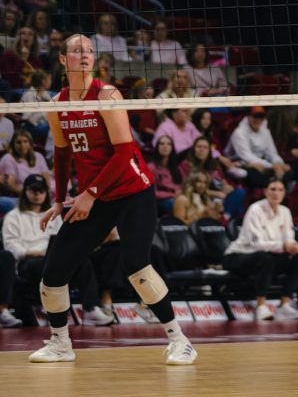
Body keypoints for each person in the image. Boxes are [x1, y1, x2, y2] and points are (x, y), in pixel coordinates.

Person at [29, 34, 195, 364]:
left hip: (132, 189)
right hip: (96, 195)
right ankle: (61, 344)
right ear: (63, 60)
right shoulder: (58, 103)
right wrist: (60, 200)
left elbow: (122, 155)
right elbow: (62, 154)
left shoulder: (107, 95)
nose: (85, 55)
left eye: (89, 50)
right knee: (53, 272)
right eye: (77, 51)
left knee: (136, 264)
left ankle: (180, 340)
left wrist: (89, 194)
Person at [2, 174, 113, 326]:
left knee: (82, 262)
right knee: (44, 264)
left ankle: (90, 309)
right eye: (33, 190)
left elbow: (61, 240)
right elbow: (10, 246)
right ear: (25, 192)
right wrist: (31, 252)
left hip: (51, 256)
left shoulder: (53, 214)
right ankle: (53, 306)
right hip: (27, 261)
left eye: (41, 190)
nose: (37, 194)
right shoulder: (13, 217)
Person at [222, 177, 298, 321]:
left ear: (284, 193)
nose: (276, 193)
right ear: (265, 192)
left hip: (268, 256)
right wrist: (283, 246)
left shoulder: (285, 211)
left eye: (280, 190)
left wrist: (293, 247)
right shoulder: (255, 209)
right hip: (238, 256)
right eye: (272, 189)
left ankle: (284, 305)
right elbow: (257, 244)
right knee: (265, 257)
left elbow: (288, 237)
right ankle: (261, 306)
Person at [227, 106, 289, 187]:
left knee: (288, 172)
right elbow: (246, 156)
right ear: (248, 117)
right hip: (240, 162)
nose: (258, 120)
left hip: (261, 162)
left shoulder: (265, 131)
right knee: (259, 176)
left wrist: (279, 163)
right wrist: (271, 166)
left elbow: (271, 152)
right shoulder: (239, 133)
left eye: (261, 117)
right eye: (255, 117)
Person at [0, 130, 51, 212]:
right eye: (18, 142)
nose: (22, 145)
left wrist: (42, 196)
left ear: (30, 143)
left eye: (25, 141)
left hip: (41, 197)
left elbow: (47, 182)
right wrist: (30, 195)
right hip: (19, 198)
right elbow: (11, 186)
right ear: (13, 144)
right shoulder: (8, 158)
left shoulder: (38, 156)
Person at [147, 135, 183, 213]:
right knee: (174, 203)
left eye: (169, 144)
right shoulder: (151, 167)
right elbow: (152, 193)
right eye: (161, 144)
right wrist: (172, 195)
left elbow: (182, 187)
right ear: (157, 147)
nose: (165, 146)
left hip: (178, 198)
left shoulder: (177, 168)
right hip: (161, 201)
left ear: (172, 148)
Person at [19, 69, 53, 144]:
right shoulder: (29, 94)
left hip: (43, 125)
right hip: (31, 127)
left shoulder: (46, 94)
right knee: (53, 128)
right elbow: (26, 117)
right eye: (50, 79)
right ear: (43, 81)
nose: (51, 82)